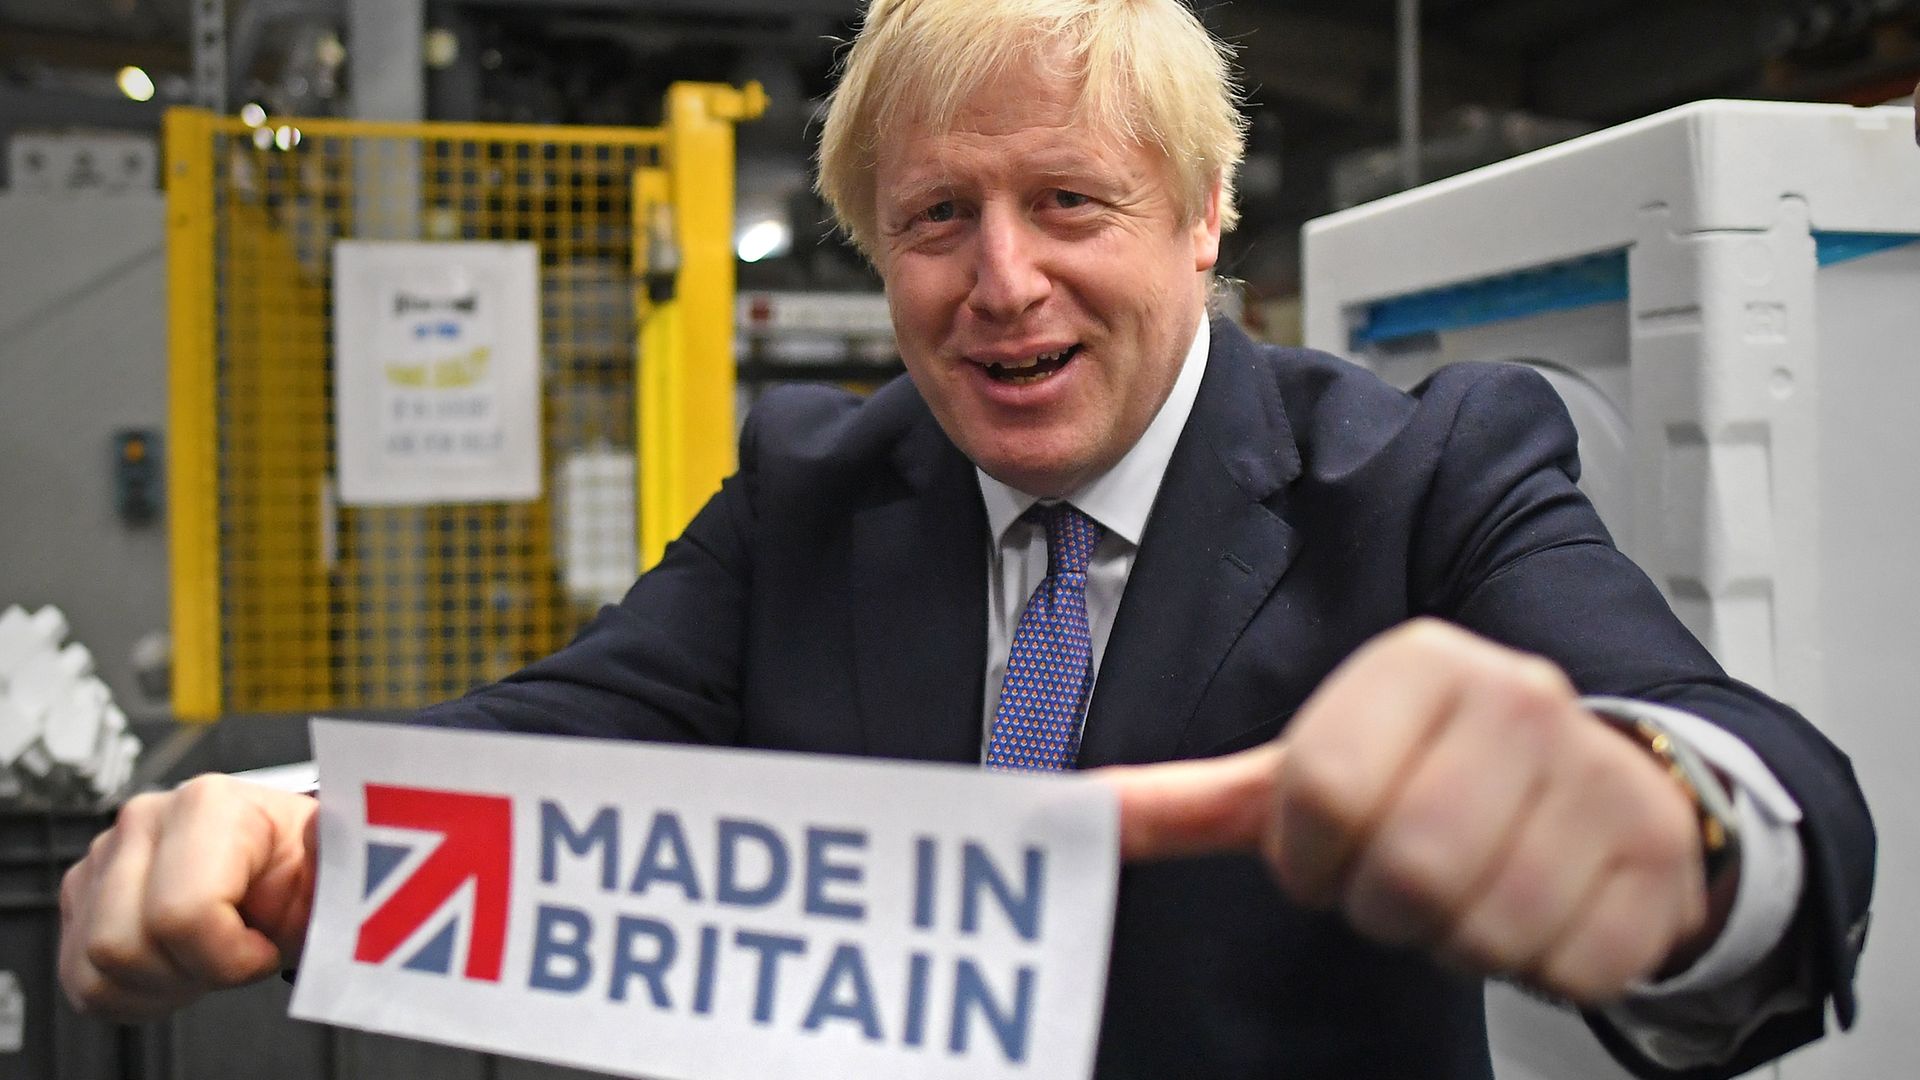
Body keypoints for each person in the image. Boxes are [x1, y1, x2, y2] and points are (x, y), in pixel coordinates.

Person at [60, 1, 1873, 1077]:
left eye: (1070, 200)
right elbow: (566, 735)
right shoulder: (809, 494)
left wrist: (1663, 824)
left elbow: (1752, 770)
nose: (1003, 286)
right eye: (939, 217)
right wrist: (291, 822)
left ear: (1205, 215)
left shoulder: (1423, 475)